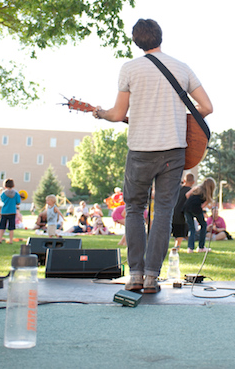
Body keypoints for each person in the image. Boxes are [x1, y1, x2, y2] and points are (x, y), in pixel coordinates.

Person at [92, 18, 213, 294]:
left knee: (134, 209)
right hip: (173, 149)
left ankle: (134, 275)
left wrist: (100, 113)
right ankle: (151, 278)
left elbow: (118, 115)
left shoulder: (130, 69)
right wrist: (179, 121)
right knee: (164, 213)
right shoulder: (182, 68)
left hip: (140, 151)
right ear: (160, 37)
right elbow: (206, 107)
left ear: (136, 41)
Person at [184, 177, 215, 252]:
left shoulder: (196, 188)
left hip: (186, 207)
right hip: (196, 208)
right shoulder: (208, 194)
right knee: (203, 225)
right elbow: (202, 206)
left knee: (192, 228)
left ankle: (190, 248)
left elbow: (187, 194)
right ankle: (201, 247)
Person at [0, 178, 23, 244]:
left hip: (4, 211)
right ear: (13, 185)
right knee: (11, 227)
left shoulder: (3, 193)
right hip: (12, 212)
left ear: (4, 186)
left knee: (2, 226)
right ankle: (11, 240)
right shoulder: (16, 193)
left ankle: (0, 239)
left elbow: (2, 200)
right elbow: (18, 202)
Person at [173, 173, 195, 248]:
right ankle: (177, 247)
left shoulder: (178, 189)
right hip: (182, 215)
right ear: (193, 182)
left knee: (175, 233)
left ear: (184, 180)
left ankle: (175, 248)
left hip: (173, 213)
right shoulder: (191, 192)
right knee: (180, 234)